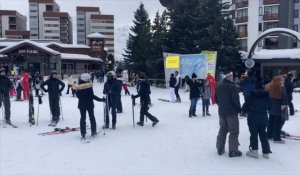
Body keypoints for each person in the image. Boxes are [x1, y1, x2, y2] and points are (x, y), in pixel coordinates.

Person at [243, 79, 272, 159]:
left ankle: (254, 151)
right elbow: (270, 106)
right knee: (263, 134)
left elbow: (246, 106)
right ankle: (266, 152)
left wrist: (244, 111)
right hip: (263, 117)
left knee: (253, 134)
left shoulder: (251, 95)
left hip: (253, 117)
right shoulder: (267, 96)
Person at [215, 71, 242, 157]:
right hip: (231, 113)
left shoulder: (219, 86)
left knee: (223, 129)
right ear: (227, 77)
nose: (232, 77)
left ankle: (220, 148)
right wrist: (239, 109)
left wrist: (222, 106)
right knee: (234, 131)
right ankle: (233, 151)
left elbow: (216, 100)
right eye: (231, 76)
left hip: (222, 112)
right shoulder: (232, 87)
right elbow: (236, 101)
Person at [76, 73, 106, 139]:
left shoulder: (79, 86)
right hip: (89, 104)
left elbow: (78, 95)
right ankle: (93, 131)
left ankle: (83, 133)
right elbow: (92, 96)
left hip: (82, 105)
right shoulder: (88, 86)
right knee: (91, 117)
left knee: (83, 118)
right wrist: (101, 100)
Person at [265, 76, 288, 144]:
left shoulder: (269, 86)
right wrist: (284, 107)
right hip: (278, 106)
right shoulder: (281, 87)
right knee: (277, 122)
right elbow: (285, 97)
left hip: (271, 106)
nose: (282, 81)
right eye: (281, 80)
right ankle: (277, 138)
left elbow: (266, 94)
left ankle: (269, 135)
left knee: (270, 121)